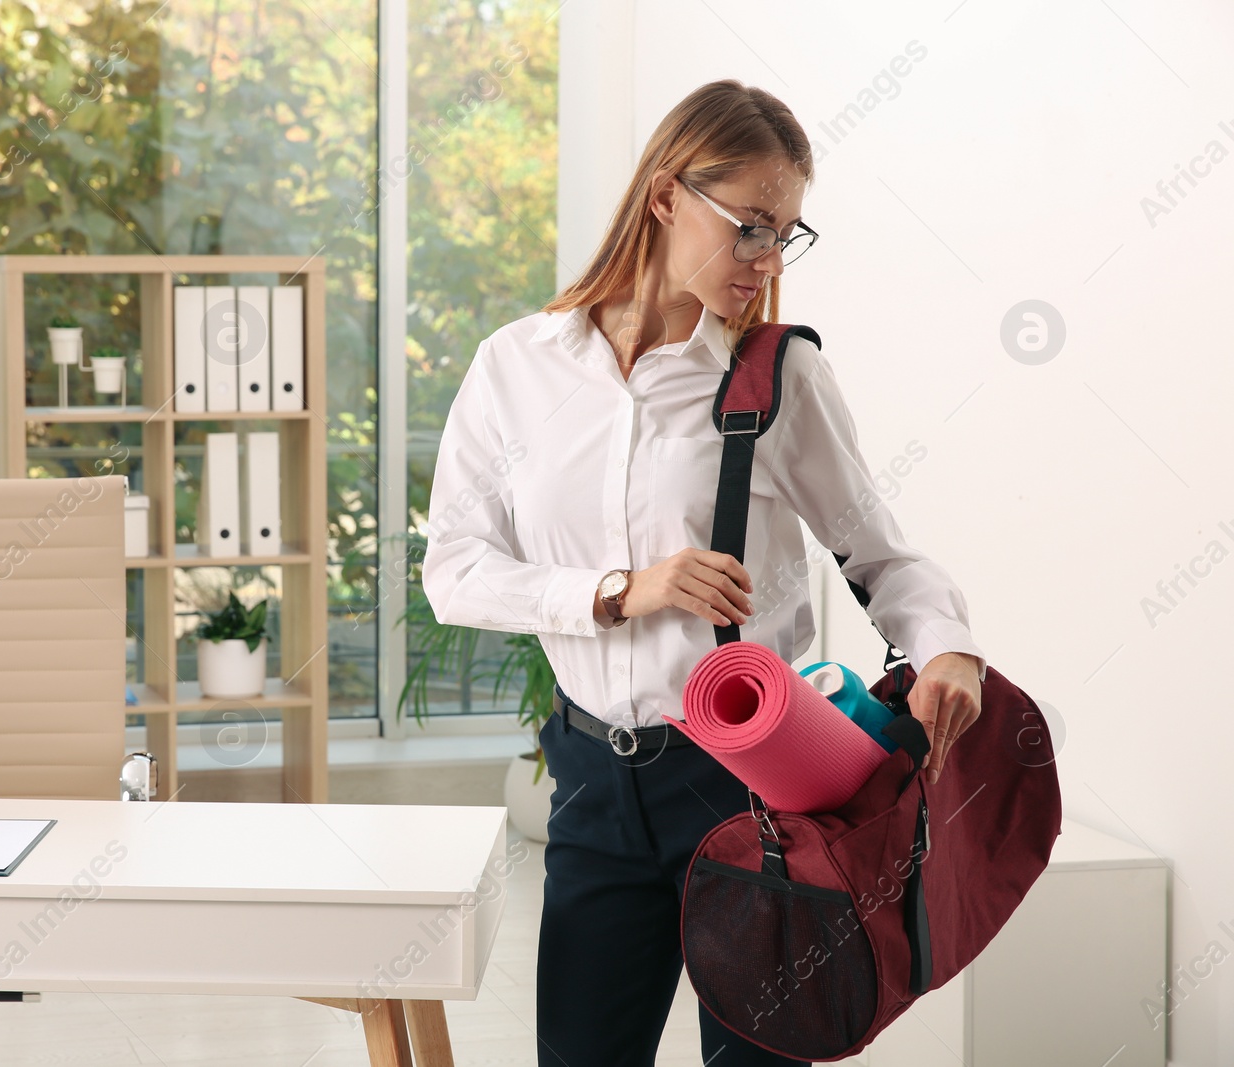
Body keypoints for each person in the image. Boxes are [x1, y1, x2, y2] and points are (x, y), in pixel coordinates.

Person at [419, 79, 987, 1067]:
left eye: (786, 235)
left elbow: (883, 557)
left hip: (754, 785)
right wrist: (616, 588)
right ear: (665, 197)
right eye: (752, 228)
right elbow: (455, 571)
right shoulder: (514, 368)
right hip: (594, 781)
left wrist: (948, 649)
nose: (767, 261)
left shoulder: (776, 376)